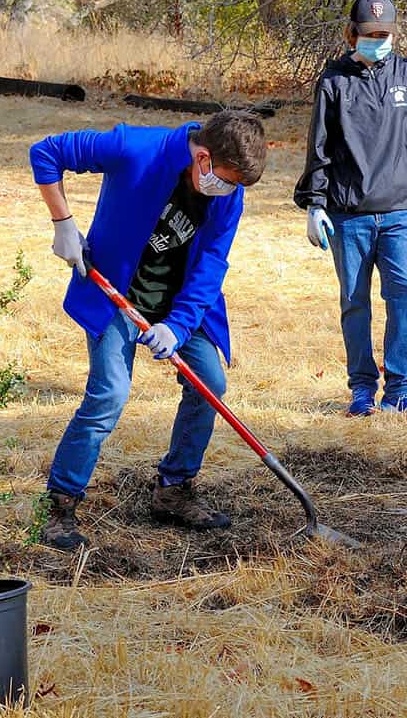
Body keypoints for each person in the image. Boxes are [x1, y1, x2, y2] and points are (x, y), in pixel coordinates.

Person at [28, 110, 267, 549]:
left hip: (180, 306)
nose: (227, 191)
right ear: (202, 156)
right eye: (224, 179)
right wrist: (63, 224)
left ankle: (174, 490)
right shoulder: (134, 147)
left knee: (209, 384)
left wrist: (177, 326)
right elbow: (46, 152)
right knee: (109, 395)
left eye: (235, 185)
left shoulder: (228, 195)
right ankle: (59, 503)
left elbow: (212, 263)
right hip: (114, 294)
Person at [295, 0, 407, 420]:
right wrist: (314, 205)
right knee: (355, 302)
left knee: (405, 296)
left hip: (398, 213)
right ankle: (361, 389)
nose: (379, 40)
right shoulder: (333, 82)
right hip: (348, 214)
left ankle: (401, 388)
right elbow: (318, 147)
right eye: (371, 33)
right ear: (351, 34)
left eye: (386, 33)